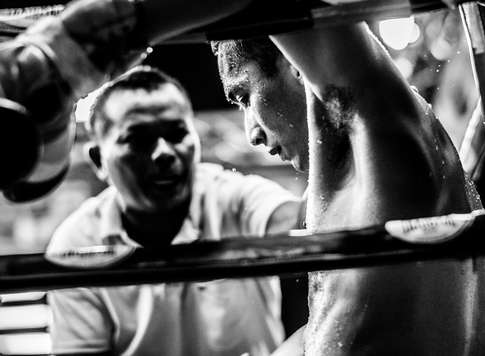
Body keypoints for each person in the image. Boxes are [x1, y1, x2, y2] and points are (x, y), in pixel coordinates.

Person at [5, 0, 485, 354]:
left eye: (244, 96)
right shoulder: (364, 180)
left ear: (294, 63)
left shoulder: (380, 131)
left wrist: (65, 57)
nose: (252, 134)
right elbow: (355, 331)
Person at [47, 65, 303, 356]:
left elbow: (301, 223)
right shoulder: (77, 242)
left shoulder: (235, 197)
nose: (164, 153)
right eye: (139, 140)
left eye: (177, 134)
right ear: (99, 159)